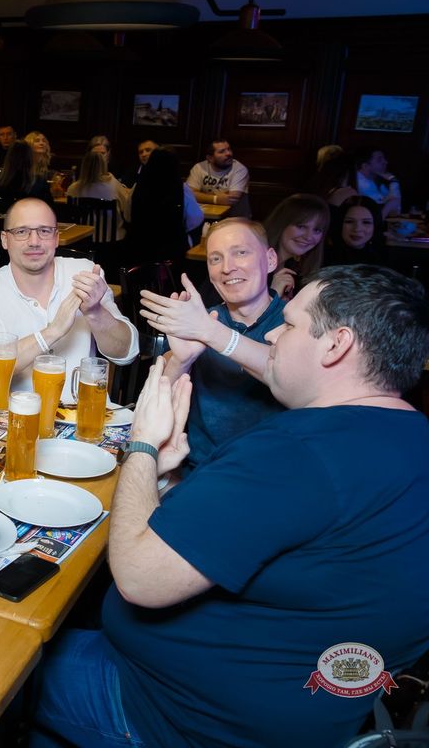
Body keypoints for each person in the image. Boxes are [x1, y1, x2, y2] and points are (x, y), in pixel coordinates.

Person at [30, 264, 429, 748]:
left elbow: (139, 578)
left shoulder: (298, 451)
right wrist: (160, 470)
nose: (274, 334)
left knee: (10, 666)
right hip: (311, 713)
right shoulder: (409, 435)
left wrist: (142, 446)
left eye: (291, 324)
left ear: (336, 345)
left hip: (172, 713)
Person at [138, 218, 285, 472]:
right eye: (216, 259)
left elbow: (285, 373)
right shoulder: (201, 321)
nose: (227, 268)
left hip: (269, 474)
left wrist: (211, 333)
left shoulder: (293, 322)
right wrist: (181, 360)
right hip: (200, 471)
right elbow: (151, 411)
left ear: (270, 260)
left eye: (241, 253)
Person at [0, 197, 138, 404]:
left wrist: (95, 312)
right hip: (21, 413)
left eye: (44, 231)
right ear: (5, 239)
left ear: (56, 238)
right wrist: (51, 332)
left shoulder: (84, 274)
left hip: (84, 414)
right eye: (21, 231)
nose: (34, 241)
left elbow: (127, 353)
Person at [124, 148, 203, 264]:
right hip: (172, 251)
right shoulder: (181, 189)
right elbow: (196, 219)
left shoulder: (138, 187)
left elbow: (127, 216)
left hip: (140, 248)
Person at [264, 193, 329, 300]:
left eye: (317, 230)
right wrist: (274, 295)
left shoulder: (296, 269)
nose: (308, 237)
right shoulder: (255, 264)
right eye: (301, 226)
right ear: (281, 223)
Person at [66, 149, 131, 239]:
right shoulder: (114, 186)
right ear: (103, 165)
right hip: (111, 239)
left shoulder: (72, 188)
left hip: (82, 239)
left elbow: (70, 216)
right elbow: (127, 212)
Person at [186, 139, 251, 217]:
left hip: (235, 219)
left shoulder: (239, 169)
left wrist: (201, 195)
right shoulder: (199, 168)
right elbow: (188, 194)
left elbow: (231, 199)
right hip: (205, 216)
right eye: (222, 151)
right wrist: (216, 199)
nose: (228, 153)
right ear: (210, 158)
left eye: (229, 149)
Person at [325, 195, 387, 267]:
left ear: (375, 225)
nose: (357, 229)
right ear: (340, 223)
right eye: (349, 221)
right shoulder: (324, 256)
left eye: (366, 222)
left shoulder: (383, 257)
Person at [351, 145, 401, 217]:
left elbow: (395, 210)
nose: (385, 162)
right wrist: (393, 181)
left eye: (384, 159)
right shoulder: (358, 183)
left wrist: (393, 181)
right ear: (365, 166)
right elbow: (377, 215)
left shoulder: (378, 180)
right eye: (379, 160)